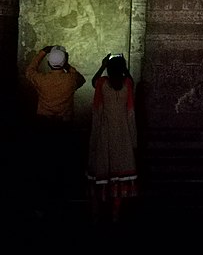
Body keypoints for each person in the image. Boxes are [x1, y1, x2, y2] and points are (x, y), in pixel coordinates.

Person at [25, 44, 86, 217]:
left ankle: (42, 204)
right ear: (64, 61)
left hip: (43, 127)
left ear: (50, 63)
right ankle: (60, 203)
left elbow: (29, 71)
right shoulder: (70, 80)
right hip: (63, 128)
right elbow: (81, 80)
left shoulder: (42, 80)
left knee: (43, 165)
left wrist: (42, 53)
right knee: (62, 165)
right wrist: (67, 66)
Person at [87, 53, 138, 223]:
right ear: (122, 69)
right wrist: (134, 140)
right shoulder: (127, 84)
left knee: (103, 171)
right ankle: (116, 212)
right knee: (119, 174)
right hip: (123, 134)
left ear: (108, 69)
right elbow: (131, 114)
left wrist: (102, 65)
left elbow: (93, 84)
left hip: (104, 133)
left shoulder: (102, 83)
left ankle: (98, 211)